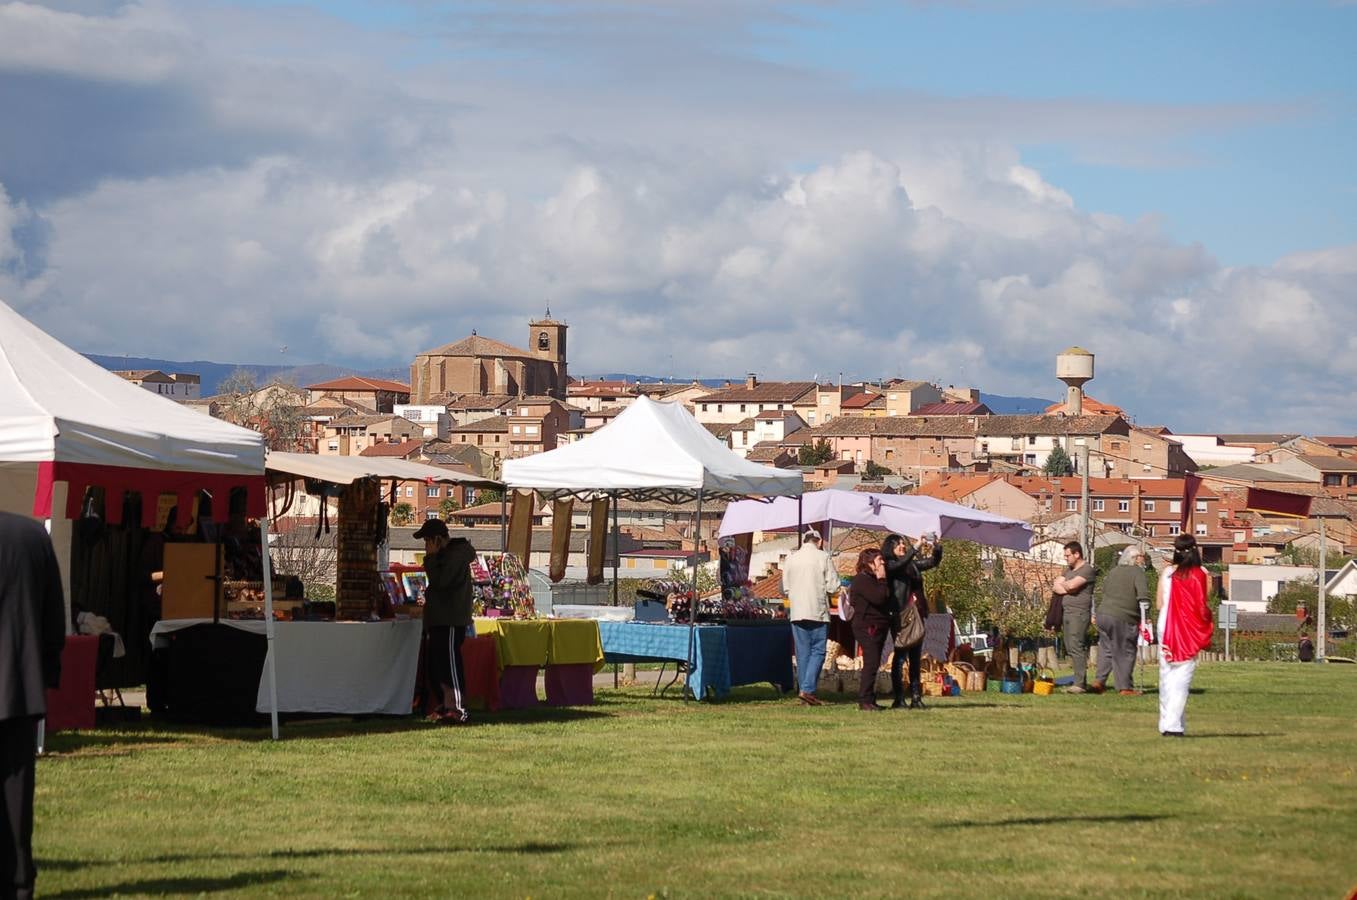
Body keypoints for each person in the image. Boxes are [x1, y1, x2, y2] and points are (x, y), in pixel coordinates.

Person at [1, 512, 68, 900]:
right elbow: (52, 618)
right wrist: (43, 675)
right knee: (16, 796)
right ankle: (18, 883)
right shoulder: (31, 536)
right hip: (17, 688)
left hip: (18, 685)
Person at [415, 519, 477, 725]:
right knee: (438, 665)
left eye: (427, 541)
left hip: (450, 619)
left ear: (438, 540)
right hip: (440, 618)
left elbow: (441, 582)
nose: (426, 546)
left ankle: (458, 709)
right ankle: (445, 705)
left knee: (450, 665)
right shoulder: (448, 556)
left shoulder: (455, 556)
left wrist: (431, 558)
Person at [1156, 534, 1213, 736]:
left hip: (1165, 624)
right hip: (1187, 626)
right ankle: (1172, 725)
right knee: (1182, 675)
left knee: (1166, 674)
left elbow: (1159, 604)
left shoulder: (1167, 573)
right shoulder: (1201, 573)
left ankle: (1167, 722)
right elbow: (1202, 604)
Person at [882, 533, 943, 710]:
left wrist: (937, 547)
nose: (902, 546)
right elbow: (899, 565)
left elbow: (931, 562)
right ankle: (899, 697)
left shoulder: (911, 566)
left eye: (903, 544)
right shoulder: (891, 565)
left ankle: (916, 697)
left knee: (916, 656)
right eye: (898, 544)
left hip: (916, 615)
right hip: (900, 616)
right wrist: (915, 548)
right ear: (890, 548)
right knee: (900, 656)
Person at [782, 529, 840, 706]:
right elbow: (833, 586)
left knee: (802, 653)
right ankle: (807, 689)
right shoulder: (823, 557)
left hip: (797, 611)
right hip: (817, 611)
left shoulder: (791, 558)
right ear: (819, 541)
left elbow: (785, 587)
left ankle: (804, 691)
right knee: (818, 651)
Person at [1092, 545, 1148, 695]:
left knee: (1106, 649)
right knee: (1126, 650)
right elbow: (1142, 596)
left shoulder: (1113, 572)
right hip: (1123, 616)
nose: (1144, 559)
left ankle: (1099, 681)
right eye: (1142, 556)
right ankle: (1125, 687)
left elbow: (1104, 590)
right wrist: (1145, 616)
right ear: (1135, 559)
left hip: (1103, 615)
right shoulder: (1138, 572)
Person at [848, 549, 891, 711]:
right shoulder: (861, 580)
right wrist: (882, 579)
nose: (883, 563)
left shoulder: (874, 579)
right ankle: (865, 700)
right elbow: (879, 598)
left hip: (879, 624)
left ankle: (870, 699)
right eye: (880, 560)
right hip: (868, 626)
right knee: (871, 663)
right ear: (869, 562)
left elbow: (887, 596)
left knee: (874, 662)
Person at [1052, 541, 1097, 694]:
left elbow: (1071, 585)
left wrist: (1067, 586)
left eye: (1068, 555)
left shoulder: (1087, 570)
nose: (1066, 558)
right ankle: (1080, 680)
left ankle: (1079, 684)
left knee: (1077, 645)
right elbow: (1056, 585)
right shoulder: (1069, 570)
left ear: (1077, 554)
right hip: (1066, 612)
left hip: (1079, 613)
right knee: (1070, 646)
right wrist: (1067, 587)